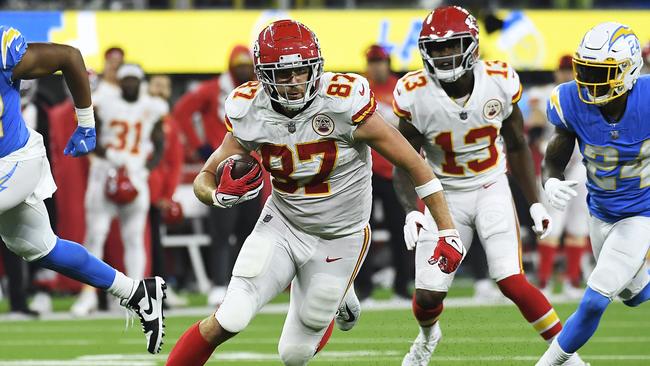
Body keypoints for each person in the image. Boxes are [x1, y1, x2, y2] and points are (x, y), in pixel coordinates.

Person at [166, 19, 464, 366]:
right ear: (264, 75)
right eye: (284, 73)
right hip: (283, 224)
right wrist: (217, 195)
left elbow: (415, 164)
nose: (295, 82)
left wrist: (447, 229)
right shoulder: (250, 109)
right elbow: (206, 174)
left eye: (303, 71)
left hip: (340, 235)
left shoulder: (343, 103)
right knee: (230, 317)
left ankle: (340, 292)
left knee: (293, 355)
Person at [391, 7, 586, 365]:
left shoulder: (498, 80)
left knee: (511, 280)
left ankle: (568, 358)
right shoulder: (414, 92)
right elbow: (404, 160)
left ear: (472, 46)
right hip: (442, 195)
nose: (445, 55)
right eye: (437, 49)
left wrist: (535, 202)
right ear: (424, 51)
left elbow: (516, 145)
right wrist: (410, 211)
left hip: (490, 186)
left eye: (453, 46)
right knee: (428, 295)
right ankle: (427, 336)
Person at [0, 27, 165, 353]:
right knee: (43, 248)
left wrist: (86, 122)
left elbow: (69, 57)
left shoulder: (4, 52)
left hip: (15, 159)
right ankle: (135, 292)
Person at [537, 22, 650, 365]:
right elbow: (554, 158)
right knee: (632, 294)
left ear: (629, 70)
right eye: (586, 70)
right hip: (599, 212)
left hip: (640, 214)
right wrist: (551, 181)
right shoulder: (570, 99)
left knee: (594, 299)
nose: (590, 80)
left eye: (602, 72)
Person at [71, 64, 167, 316]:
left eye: (134, 80)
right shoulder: (104, 101)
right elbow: (90, 132)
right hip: (105, 172)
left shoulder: (153, 107)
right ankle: (88, 295)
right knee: (95, 235)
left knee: (134, 237)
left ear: (141, 82)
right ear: (120, 83)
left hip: (135, 175)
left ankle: (135, 294)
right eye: (126, 80)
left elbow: (159, 143)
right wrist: (108, 156)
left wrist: (146, 168)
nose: (130, 85)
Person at [172, 45, 260, 306]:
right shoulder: (213, 89)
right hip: (223, 169)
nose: (244, 69)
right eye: (239, 64)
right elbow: (182, 112)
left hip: (253, 169)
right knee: (222, 231)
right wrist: (201, 147)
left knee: (250, 231)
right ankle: (219, 283)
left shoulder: (259, 90)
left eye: (248, 65)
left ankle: (246, 283)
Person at [527, 55, 590, 299]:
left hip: (581, 165)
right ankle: (543, 281)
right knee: (550, 224)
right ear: (556, 72)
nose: (565, 75)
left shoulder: (586, 96)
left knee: (577, 224)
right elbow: (534, 124)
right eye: (562, 70)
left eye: (569, 70)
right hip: (554, 166)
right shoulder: (545, 94)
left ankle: (572, 280)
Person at [354, 44, 412, 301]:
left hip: (393, 170)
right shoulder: (360, 90)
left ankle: (402, 284)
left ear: (387, 63)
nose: (377, 65)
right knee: (358, 228)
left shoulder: (400, 88)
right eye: (373, 61)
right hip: (364, 171)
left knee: (401, 227)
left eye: (380, 61)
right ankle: (362, 286)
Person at [147, 74, 187, 307]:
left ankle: (159, 290)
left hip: (155, 193)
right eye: (156, 84)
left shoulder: (170, 123)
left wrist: (166, 195)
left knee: (154, 243)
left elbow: (175, 162)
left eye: (165, 86)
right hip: (136, 189)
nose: (161, 89)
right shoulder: (138, 115)